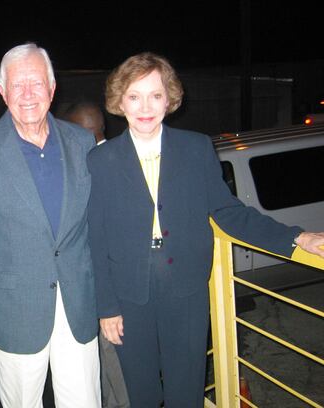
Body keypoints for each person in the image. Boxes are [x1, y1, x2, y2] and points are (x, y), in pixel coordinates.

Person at [87, 51, 324, 407]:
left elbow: (230, 213)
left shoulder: (196, 149)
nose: (145, 106)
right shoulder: (100, 161)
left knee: (186, 391)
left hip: (185, 292)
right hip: (127, 297)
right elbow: (96, 237)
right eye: (134, 96)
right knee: (142, 394)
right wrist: (106, 307)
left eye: (155, 94)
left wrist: (298, 237)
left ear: (170, 98)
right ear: (120, 102)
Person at [0, 43, 101, 408]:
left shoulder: (82, 143)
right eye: (18, 85)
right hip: (13, 312)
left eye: (37, 83)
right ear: (3, 92)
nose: (28, 94)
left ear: (53, 88)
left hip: (78, 305)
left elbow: (95, 227)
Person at [64, 101, 129, 408]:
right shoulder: (121, 157)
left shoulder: (92, 165)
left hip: (109, 295)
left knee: (119, 378)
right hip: (106, 294)